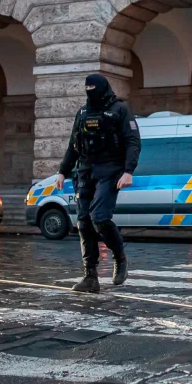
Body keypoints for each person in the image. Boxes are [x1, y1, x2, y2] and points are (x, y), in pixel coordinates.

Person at [56, 74, 141, 293]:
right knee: (83, 223)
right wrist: (62, 171)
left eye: (94, 88)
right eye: (87, 88)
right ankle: (90, 277)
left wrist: (128, 171)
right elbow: (73, 145)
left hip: (110, 170)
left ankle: (120, 256)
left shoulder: (120, 110)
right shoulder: (83, 113)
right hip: (85, 171)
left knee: (99, 218)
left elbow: (133, 142)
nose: (90, 92)